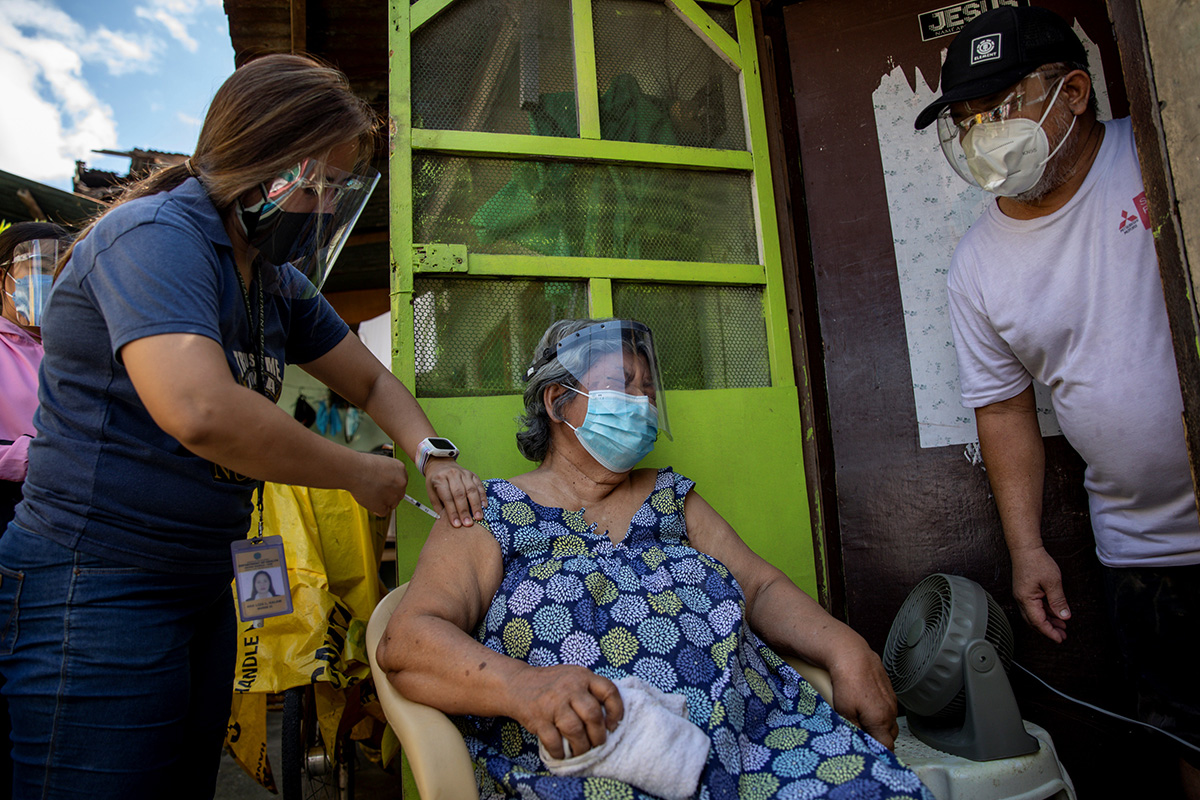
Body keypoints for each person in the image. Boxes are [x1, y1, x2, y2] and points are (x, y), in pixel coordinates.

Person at [0, 54, 486, 799]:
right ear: (257, 159)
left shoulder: (275, 282)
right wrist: (356, 472)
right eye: (316, 182)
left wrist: (429, 452)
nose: (325, 206)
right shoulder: (156, 238)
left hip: (200, 581)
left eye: (338, 187)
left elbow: (367, 379)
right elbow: (200, 409)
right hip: (96, 583)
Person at [377, 318, 931, 800]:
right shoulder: (489, 514)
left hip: (762, 740)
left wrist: (846, 648)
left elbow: (759, 589)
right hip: (594, 763)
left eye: (646, 389)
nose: (640, 402)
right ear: (557, 401)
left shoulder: (671, 497)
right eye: (620, 385)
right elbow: (407, 643)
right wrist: (524, 687)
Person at [915, 6, 1200, 796]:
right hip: (1145, 546)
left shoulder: (1164, 152)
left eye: (1001, 107)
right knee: (1186, 729)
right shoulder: (977, 264)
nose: (982, 133)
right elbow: (1004, 410)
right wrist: (1027, 547)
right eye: (968, 119)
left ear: (1072, 92)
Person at [0, 222, 70, 532]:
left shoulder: (80, 348)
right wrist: (34, 458)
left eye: (63, 268)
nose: (54, 279)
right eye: (41, 267)